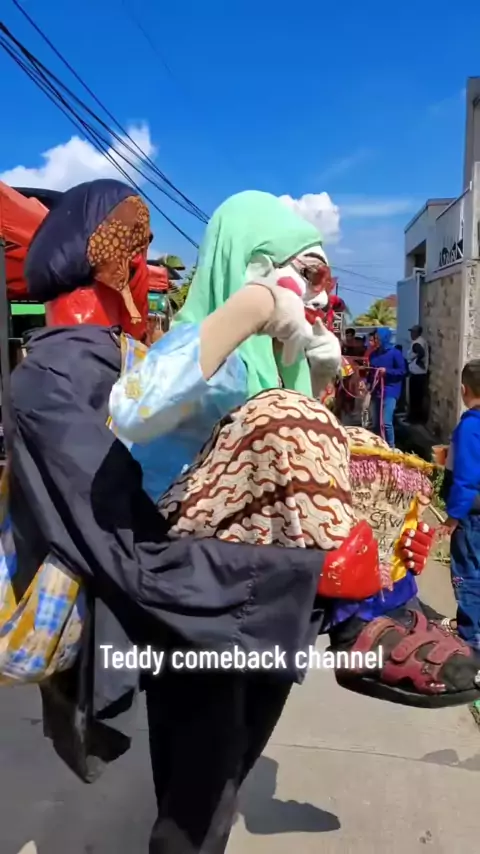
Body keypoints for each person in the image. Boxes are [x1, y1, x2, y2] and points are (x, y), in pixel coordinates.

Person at [7, 181, 379, 854]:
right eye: (132, 246)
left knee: (224, 784)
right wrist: (289, 574)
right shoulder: (58, 374)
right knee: (196, 805)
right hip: (194, 604)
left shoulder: (164, 354)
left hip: (250, 597)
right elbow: (118, 531)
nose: (144, 264)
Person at [110, 189, 480, 715]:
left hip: (268, 582)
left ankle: (392, 601)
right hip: (191, 570)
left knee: (360, 448)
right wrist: (251, 308)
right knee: (204, 748)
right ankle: (362, 619)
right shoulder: (197, 342)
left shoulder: (274, 364)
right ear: (252, 263)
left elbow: (305, 468)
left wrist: (388, 542)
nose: (318, 297)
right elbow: (132, 409)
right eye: (309, 274)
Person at [440, 360, 480, 649]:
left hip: (471, 514)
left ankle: (471, 636)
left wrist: (453, 516)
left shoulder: (469, 428)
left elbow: (465, 478)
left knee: (467, 574)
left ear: (464, 390)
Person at [368, 328, 406, 447]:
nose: (375, 341)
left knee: (386, 422)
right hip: (376, 391)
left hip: (390, 390)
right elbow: (371, 373)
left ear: (384, 338)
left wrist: (387, 371)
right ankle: (378, 446)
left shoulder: (395, 353)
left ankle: (391, 447)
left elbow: (403, 371)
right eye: (375, 338)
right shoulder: (373, 355)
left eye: (378, 338)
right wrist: (366, 382)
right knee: (376, 423)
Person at [407, 324, 429, 424]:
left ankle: (414, 419)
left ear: (417, 333)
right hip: (420, 374)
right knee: (418, 397)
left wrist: (418, 361)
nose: (411, 334)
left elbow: (421, 353)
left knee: (415, 398)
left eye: (413, 332)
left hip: (417, 374)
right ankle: (415, 418)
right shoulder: (421, 341)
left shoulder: (417, 343)